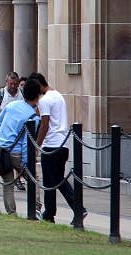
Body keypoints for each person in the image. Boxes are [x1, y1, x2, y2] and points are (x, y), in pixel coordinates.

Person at [30, 72, 87, 225]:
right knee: (58, 180)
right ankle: (70, 210)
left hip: (51, 145)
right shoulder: (58, 96)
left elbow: (45, 123)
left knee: (50, 182)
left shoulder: (45, 100)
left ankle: (55, 212)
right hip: (63, 144)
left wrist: (38, 144)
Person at [0, 79, 41, 215]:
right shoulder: (33, 117)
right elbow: (27, 142)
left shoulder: (11, 105)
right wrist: (27, 161)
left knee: (8, 184)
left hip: (1, 148)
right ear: (37, 96)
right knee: (33, 179)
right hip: (17, 152)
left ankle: (11, 213)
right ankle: (36, 209)